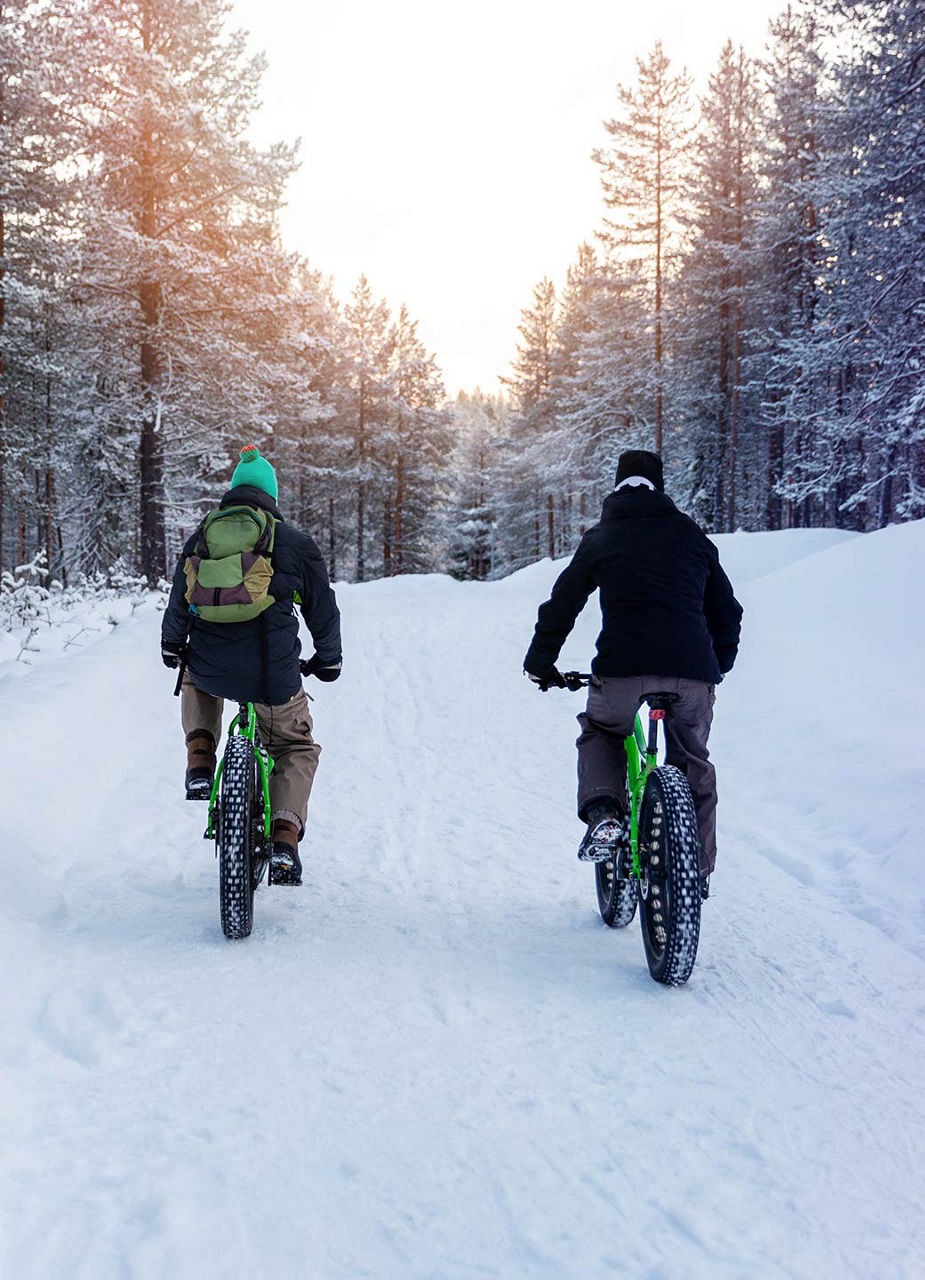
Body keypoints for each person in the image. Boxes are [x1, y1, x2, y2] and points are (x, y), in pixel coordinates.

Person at [523, 449, 742, 899]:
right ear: (660, 488)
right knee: (693, 760)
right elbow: (727, 611)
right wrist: (716, 665)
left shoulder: (603, 537)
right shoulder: (692, 536)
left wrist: (540, 663)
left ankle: (605, 812)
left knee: (602, 730)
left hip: (622, 671)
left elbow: (563, 604)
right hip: (691, 676)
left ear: (617, 487)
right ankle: (694, 871)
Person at [161, 445, 342, 886]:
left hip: (211, 668)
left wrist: (171, 646)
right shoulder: (294, 543)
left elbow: (179, 597)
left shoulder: (203, 535)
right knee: (294, 748)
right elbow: (322, 608)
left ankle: (200, 762)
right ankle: (284, 839)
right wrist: (329, 659)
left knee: (193, 676)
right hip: (273, 672)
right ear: (271, 496)